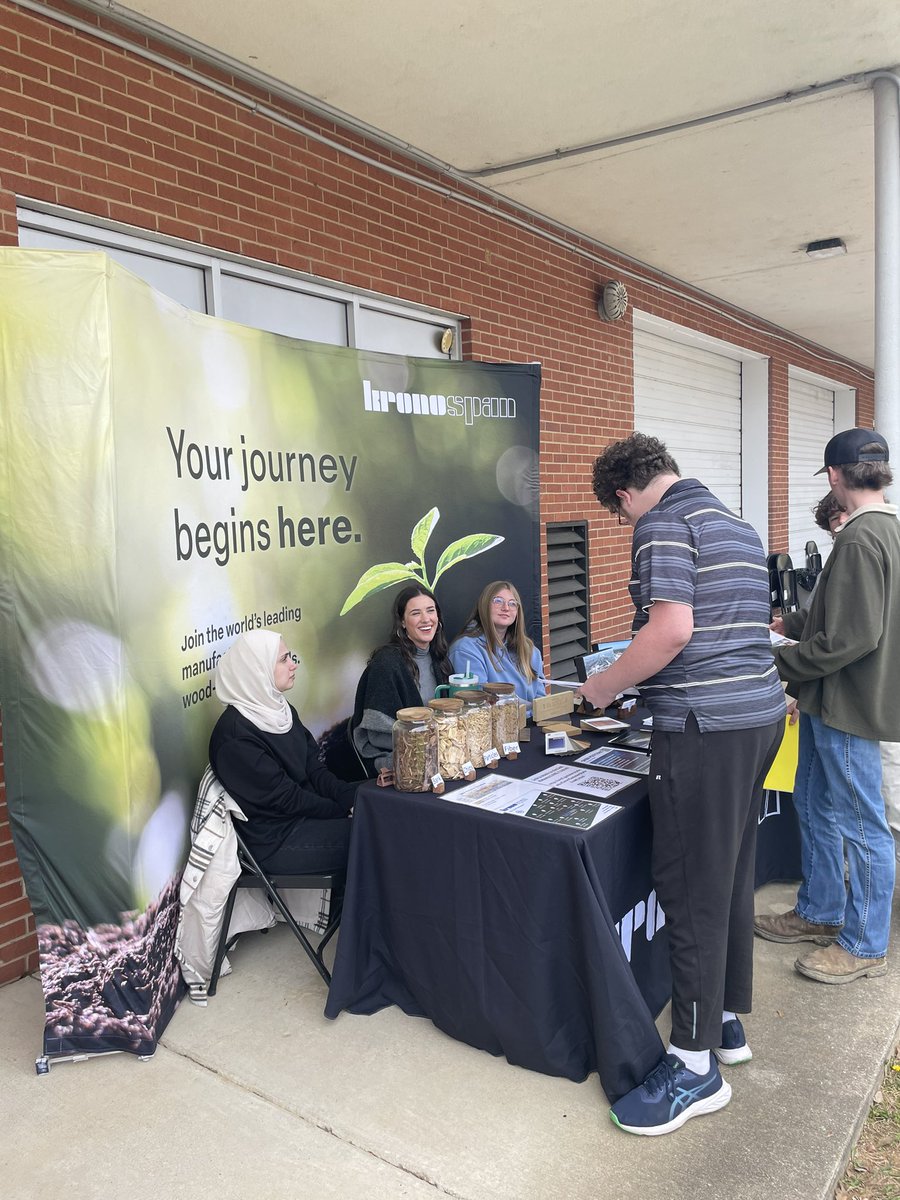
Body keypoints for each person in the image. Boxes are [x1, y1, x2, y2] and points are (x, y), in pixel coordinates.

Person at [580, 432, 785, 1136]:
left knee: (691, 889)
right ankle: (724, 1019)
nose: (626, 523)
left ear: (624, 494)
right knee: (727, 876)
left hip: (704, 732)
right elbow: (730, 630)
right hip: (758, 719)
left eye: (619, 513)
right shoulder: (735, 522)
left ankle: (694, 1066)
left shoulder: (661, 524)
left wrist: (604, 688)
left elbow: (670, 631)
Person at [755, 428, 900, 980]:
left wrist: (778, 662)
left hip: (848, 704)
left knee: (861, 823)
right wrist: (789, 624)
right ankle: (820, 911)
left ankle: (864, 946)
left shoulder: (863, 539)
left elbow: (852, 637)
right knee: (815, 802)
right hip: (830, 701)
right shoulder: (882, 529)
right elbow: (842, 616)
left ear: (836, 476)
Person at [208, 629, 356, 873]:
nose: (293, 665)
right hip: (276, 842)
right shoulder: (234, 737)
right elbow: (288, 800)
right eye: (284, 659)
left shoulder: (279, 709)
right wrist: (343, 811)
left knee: (381, 809)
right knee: (373, 836)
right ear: (258, 670)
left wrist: (351, 798)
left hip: (306, 820)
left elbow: (315, 770)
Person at [351, 585, 452, 774]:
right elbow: (376, 736)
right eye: (415, 613)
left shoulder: (439, 659)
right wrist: (428, 741)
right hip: (400, 760)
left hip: (438, 754)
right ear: (403, 622)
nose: (426, 619)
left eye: (430, 611)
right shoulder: (386, 663)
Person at [449, 580, 547, 712]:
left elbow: (542, 700)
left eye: (512, 604)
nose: (506, 608)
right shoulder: (465, 649)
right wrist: (532, 706)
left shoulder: (530, 650)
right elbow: (481, 702)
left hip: (531, 726)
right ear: (484, 605)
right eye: (498, 601)